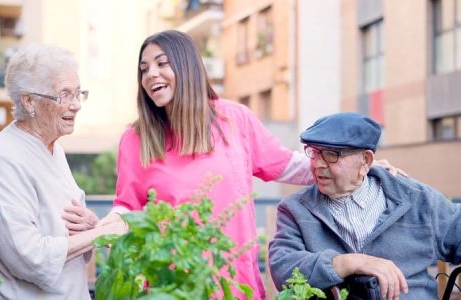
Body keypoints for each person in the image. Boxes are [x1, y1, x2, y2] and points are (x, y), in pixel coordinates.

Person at [98, 30, 402, 299]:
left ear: (187, 66)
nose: (151, 74)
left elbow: (289, 166)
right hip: (171, 285)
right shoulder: (136, 138)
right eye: (144, 69)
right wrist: (99, 228)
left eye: (161, 64)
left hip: (234, 283)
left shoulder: (233, 119)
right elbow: (127, 206)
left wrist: (363, 169)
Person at [0, 44, 126, 299]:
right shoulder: (2, 158)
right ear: (29, 102)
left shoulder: (54, 150)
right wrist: (99, 234)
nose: (76, 105)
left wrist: (88, 226)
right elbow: (27, 256)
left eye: (78, 93)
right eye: (64, 95)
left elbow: (62, 231)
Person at [268, 112, 461, 300]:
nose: (317, 163)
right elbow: (282, 268)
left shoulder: (417, 199)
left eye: (330, 154)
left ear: (366, 161)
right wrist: (347, 262)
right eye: (314, 152)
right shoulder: (294, 209)